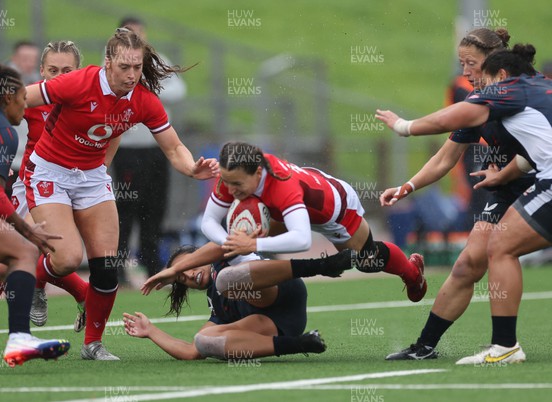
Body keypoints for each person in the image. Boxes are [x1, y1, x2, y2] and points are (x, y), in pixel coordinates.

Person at [22, 28, 219, 360]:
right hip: (49, 172)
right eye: (124, 67)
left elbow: (174, 147)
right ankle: (38, 281)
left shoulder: (143, 101)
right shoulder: (79, 82)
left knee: (106, 264)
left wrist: (191, 168)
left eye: (137, 68)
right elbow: (20, 97)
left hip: (92, 177)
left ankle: (92, 344)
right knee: (68, 258)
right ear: (107, 63)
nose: (131, 75)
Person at [377, 44, 548, 365]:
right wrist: (408, 186)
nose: (465, 72)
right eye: (461, 64)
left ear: (495, 66)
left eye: (471, 64)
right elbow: (446, 158)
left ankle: (504, 346)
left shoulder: (503, 91)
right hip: (510, 184)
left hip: (538, 184)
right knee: (469, 262)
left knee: (501, 248)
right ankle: (425, 345)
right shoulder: (509, 91)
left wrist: (404, 126)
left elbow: (447, 121)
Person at [0, 41, 89, 337]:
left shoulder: (91, 100)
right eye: (52, 70)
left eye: (67, 71)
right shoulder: (27, 99)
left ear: (78, 73)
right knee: (10, 259)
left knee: (32, 253)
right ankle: (44, 312)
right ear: (40, 71)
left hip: (76, 185)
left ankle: (63, 293)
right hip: (32, 184)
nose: (58, 77)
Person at [200, 141, 427, 303]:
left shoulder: (283, 187)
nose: (229, 189)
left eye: (236, 184)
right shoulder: (234, 172)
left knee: (367, 261)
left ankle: (411, 273)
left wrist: (251, 246)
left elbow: (302, 239)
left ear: (258, 173)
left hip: (336, 208)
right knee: (245, 232)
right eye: (226, 181)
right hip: (291, 205)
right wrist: (231, 243)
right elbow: (208, 221)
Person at [125, 243, 357, 360]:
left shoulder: (221, 257)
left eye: (188, 267)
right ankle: (301, 344)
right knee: (204, 341)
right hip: (279, 324)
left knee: (225, 280)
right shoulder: (215, 303)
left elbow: (222, 244)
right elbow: (191, 351)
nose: (187, 275)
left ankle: (322, 265)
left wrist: (174, 269)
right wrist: (151, 331)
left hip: (283, 289)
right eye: (182, 279)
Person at [112, 16, 187, 283]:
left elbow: (178, 89)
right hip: (128, 150)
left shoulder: (155, 58)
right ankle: (117, 269)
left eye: (140, 33)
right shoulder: (110, 61)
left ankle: (152, 264)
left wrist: (147, 85)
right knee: (126, 208)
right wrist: (146, 84)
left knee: (155, 207)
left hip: (156, 149)